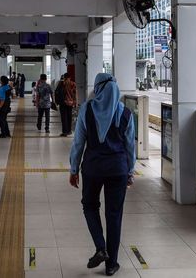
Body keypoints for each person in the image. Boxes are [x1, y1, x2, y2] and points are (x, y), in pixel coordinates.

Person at [69, 73, 136, 276]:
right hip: (118, 170)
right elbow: (130, 147)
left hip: (93, 168)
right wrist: (130, 171)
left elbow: (78, 142)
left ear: (97, 89)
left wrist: (74, 169)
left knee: (89, 206)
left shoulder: (86, 110)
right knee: (114, 215)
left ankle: (100, 247)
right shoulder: (125, 113)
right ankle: (111, 264)